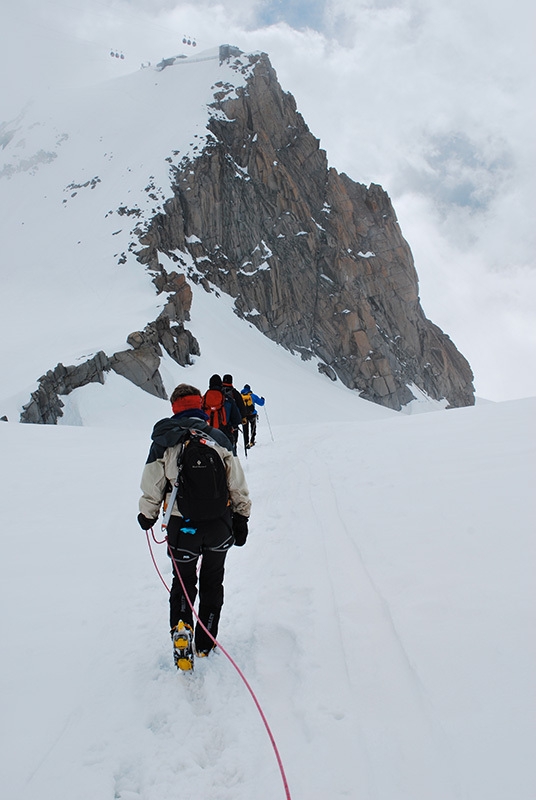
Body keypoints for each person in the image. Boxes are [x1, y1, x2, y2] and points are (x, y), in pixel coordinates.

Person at [137, 383, 251, 667]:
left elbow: (153, 484)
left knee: (183, 582)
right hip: (218, 525)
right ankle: (206, 640)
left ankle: (181, 629)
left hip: (181, 526)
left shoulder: (164, 440)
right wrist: (242, 517)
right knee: (213, 581)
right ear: (200, 405)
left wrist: (147, 514)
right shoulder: (218, 437)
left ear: (174, 406)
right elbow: (236, 482)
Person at [202, 374, 242, 454]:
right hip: (225, 435)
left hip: (206, 435)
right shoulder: (228, 400)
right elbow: (237, 419)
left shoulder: (203, 400)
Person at [222, 373, 247, 453]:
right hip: (232, 425)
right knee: (233, 443)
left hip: (218, 423)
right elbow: (242, 407)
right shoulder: (235, 393)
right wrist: (243, 418)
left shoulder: (219, 392)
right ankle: (233, 459)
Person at [240, 384, 265, 449]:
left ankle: (246, 443)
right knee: (253, 428)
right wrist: (263, 399)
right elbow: (261, 403)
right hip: (252, 414)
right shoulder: (253, 396)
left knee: (245, 430)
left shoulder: (240, 396)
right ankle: (252, 441)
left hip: (244, 415)